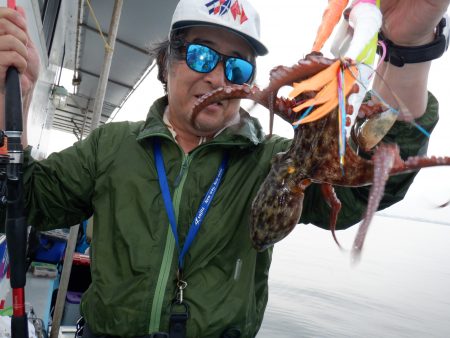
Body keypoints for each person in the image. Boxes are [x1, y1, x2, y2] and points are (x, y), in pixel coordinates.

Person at [1, 0, 449, 336]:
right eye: (200, 56)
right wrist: (10, 110)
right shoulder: (110, 145)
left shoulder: (277, 161)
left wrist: (409, 46)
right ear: (167, 62)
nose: (218, 77)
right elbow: (27, 202)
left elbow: (372, 176)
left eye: (237, 66)